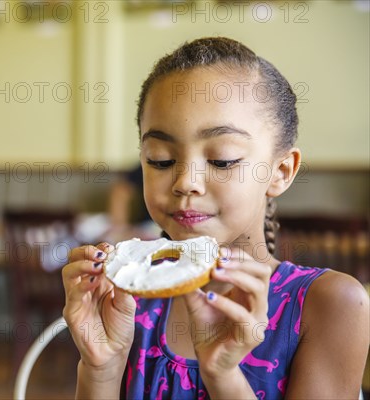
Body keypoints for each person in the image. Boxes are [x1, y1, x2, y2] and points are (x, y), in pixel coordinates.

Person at [62, 37, 369, 399]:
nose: (185, 182)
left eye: (222, 159)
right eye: (160, 159)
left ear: (281, 171)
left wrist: (223, 377)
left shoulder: (329, 305)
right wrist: (101, 368)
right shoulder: (128, 298)